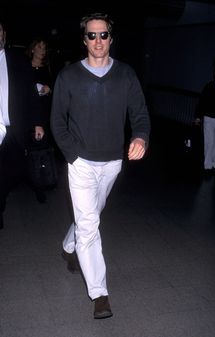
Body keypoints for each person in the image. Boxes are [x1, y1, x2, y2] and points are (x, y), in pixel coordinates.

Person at [50, 12, 151, 319]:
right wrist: (73, 155)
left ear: (111, 38)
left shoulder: (126, 74)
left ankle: (70, 245)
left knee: (89, 215)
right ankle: (100, 294)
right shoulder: (69, 76)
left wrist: (141, 138)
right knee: (90, 227)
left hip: (112, 164)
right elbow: (57, 120)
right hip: (80, 163)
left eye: (103, 35)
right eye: (91, 35)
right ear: (84, 40)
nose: (98, 41)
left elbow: (140, 114)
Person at [0, 19, 45, 229]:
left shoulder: (18, 61)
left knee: (15, 170)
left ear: (4, 35)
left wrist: (37, 122)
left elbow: (31, 95)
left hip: (12, 130)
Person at [26, 38, 55, 203]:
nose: (42, 50)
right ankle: (32, 179)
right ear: (32, 49)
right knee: (30, 149)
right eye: (39, 46)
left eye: (44, 47)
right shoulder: (24, 67)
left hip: (44, 113)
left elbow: (53, 87)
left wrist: (49, 89)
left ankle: (42, 182)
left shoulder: (48, 69)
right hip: (28, 113)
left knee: (42, 149)